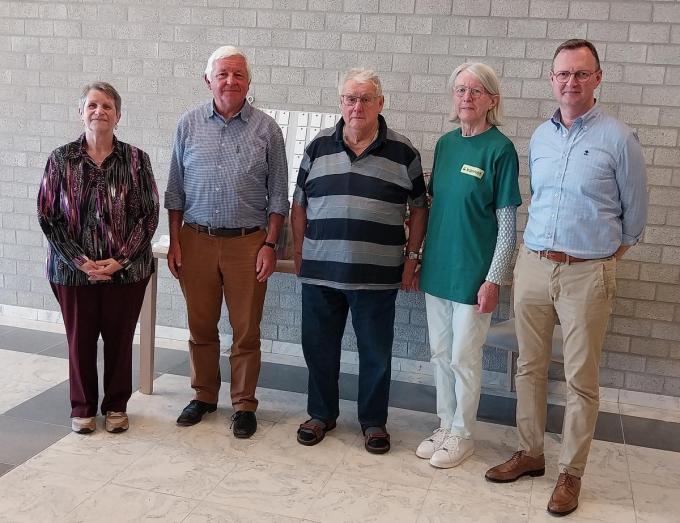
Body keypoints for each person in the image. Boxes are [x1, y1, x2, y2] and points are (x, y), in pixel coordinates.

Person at [485, 39, 648, 516]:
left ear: (597, 78)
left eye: (580, 73)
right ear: (551, 79)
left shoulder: (620, 138)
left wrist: (601, 259)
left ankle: (570, 473)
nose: (570, 82)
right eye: (563, 73)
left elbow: (635, 220)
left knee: (580, 378)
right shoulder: (540, 137)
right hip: (534, 265)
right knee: (529, 367)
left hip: (587, 273)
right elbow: (540, 198)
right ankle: (531, 453)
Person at [291, 68, 428, 454]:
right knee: (318, 348)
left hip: (377, 275)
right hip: (321, 271)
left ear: (380, 103)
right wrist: (299, 253)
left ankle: (373, 421)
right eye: (350, 99)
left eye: (366, 99)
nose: (357, 106)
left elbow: (420, 208)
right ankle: (321, 414)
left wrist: (412, 258)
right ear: (341, 103)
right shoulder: (317, 147)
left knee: (375, 354)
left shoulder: (404, 152)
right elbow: (299, 204)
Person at [165, 45, 289, 439]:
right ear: (208, 80)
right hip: (195, 240)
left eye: (238, 74)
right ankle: (203, 395)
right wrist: (175, 242)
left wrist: (270, 245)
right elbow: (175, 191)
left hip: (247, 243)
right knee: (200, 326)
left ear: (248, 82)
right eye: (223, 74)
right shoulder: (187, 124)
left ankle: (243, 404)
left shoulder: (267, 129)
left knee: (246, 330)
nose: (230, 81)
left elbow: (278, 195)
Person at [37, 82, 159, 435]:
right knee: (80, 340)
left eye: (107, 106)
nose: (99, 111)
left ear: (118, 115)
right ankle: (83, 407)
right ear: (81, 113)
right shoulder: (60, 159)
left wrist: (120, 260)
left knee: (120, 341)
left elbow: (149, 215)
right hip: (72, 273)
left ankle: (116, 406)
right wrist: (80, 261)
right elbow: (48, 216)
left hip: (127, 272)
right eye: (92, 105)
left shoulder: (136, 160)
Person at [416, 63, 522, 468]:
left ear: (492, 99)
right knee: (440, 353)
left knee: (464, 356)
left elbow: (507, 226)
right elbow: (435, 207)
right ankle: (445, 424)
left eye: (476, 91)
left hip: (473, 275)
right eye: (460, 90)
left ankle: (462, 434)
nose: (466, 98)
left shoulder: (500, 150)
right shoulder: (445, 145)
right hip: (438, 269)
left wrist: (494, 279)